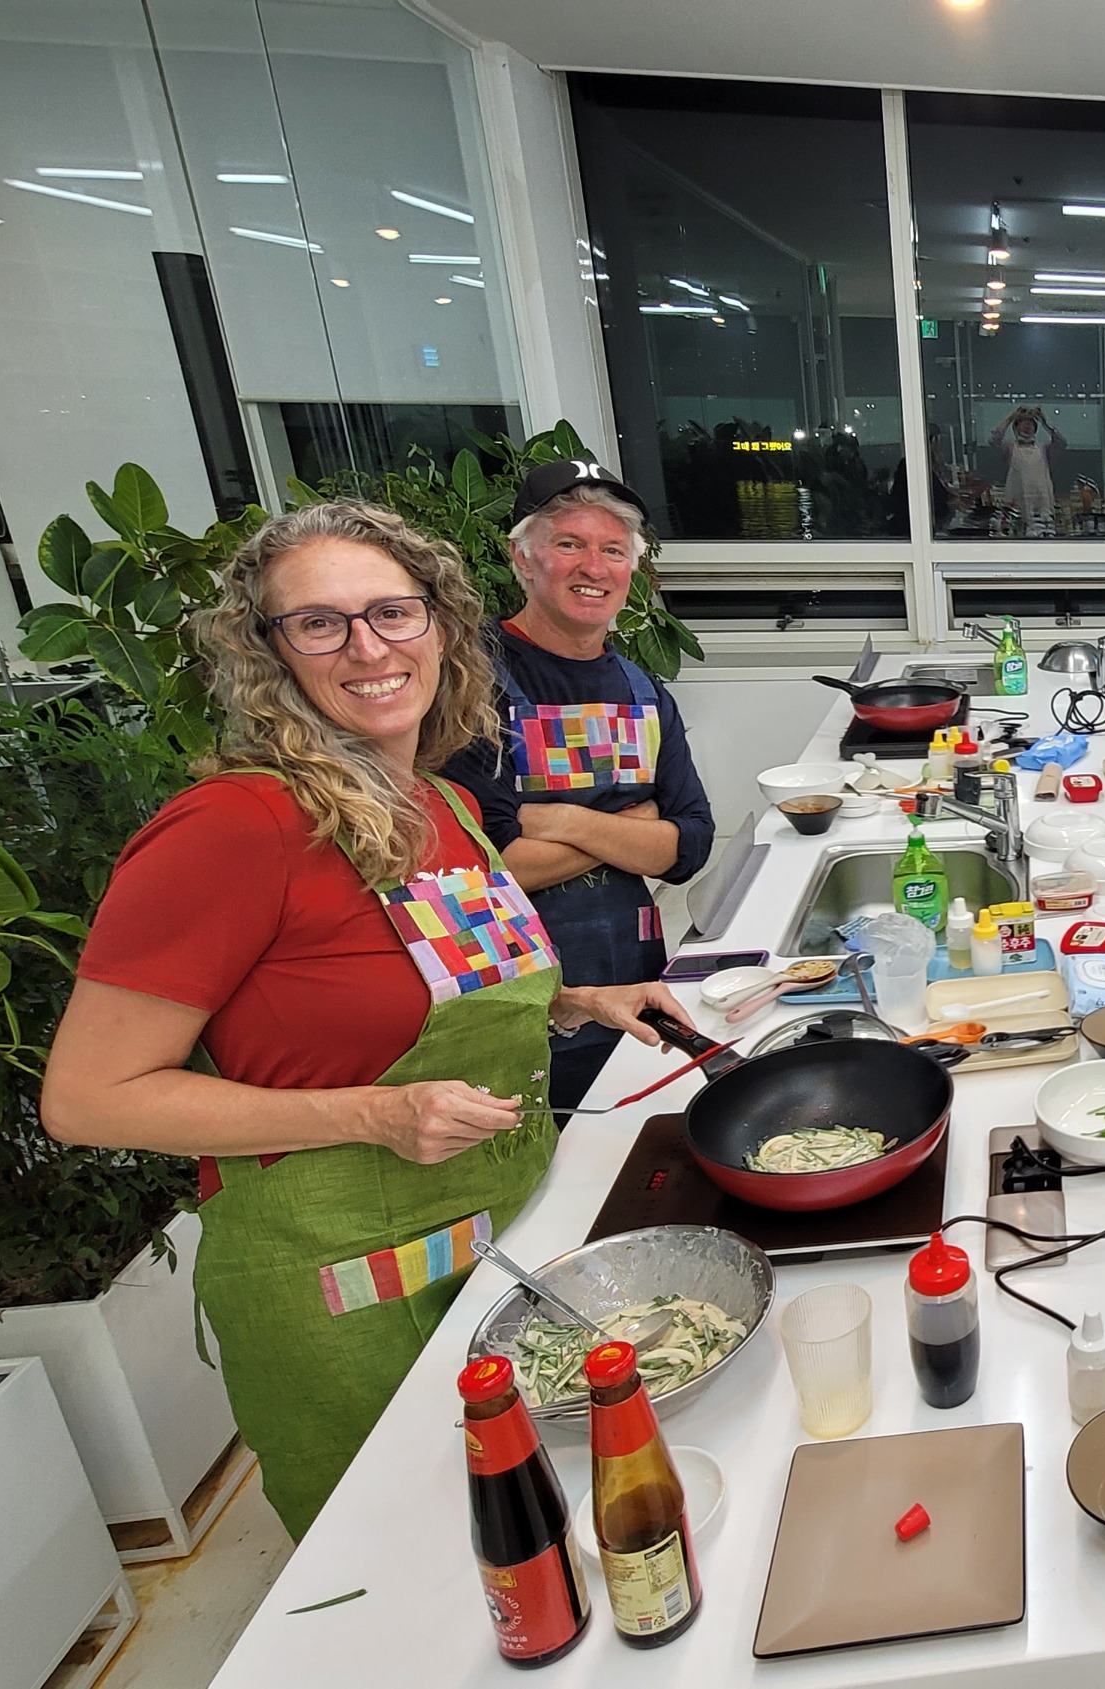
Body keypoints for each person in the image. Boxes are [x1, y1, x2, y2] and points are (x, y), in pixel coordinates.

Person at [40, 499, 696, 1538]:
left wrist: (572, 1001)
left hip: (495, 1242)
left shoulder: (437, 803)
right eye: (320, 623)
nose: (368, 648)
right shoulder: (233, 828)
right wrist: (375, 1116)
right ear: (269, 654)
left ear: (440, 625)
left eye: (394, 612)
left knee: (535, 1540)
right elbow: (86, 1098)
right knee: (413, 1562)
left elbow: (414, 986)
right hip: (341, 1289)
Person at [441, 461, 715, 1113]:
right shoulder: (467, 689)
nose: (594, 567)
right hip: (514, 1011)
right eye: (569, 544)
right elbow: (489, 866)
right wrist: (634, 828)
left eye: (613, 550)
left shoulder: (644, 693)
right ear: (522, 558)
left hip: (637, 988)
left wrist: (561, 821)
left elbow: (690, 846)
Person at [988, 405, 1064, 524]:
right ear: (1016, 427)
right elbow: (994, 440)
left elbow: (1061, 442)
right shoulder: (1010, 449)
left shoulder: (1044, 450)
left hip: (1041, 504)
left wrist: (1045, 421)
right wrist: (1011, 417)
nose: (1027, 425)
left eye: (1031, 423)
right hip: (1017, 505)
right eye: (1023, 422)